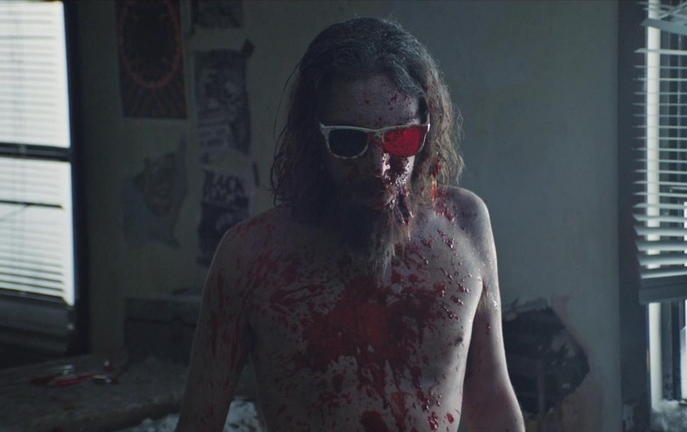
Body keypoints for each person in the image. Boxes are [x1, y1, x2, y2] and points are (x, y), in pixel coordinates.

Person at [176, 17, 525, 432]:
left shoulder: (465, 224)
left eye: (400, 139)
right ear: (313, 139)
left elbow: (491, 398)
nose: (378, 167)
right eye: (349, 140)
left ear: (426, 133)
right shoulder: (249, 257)